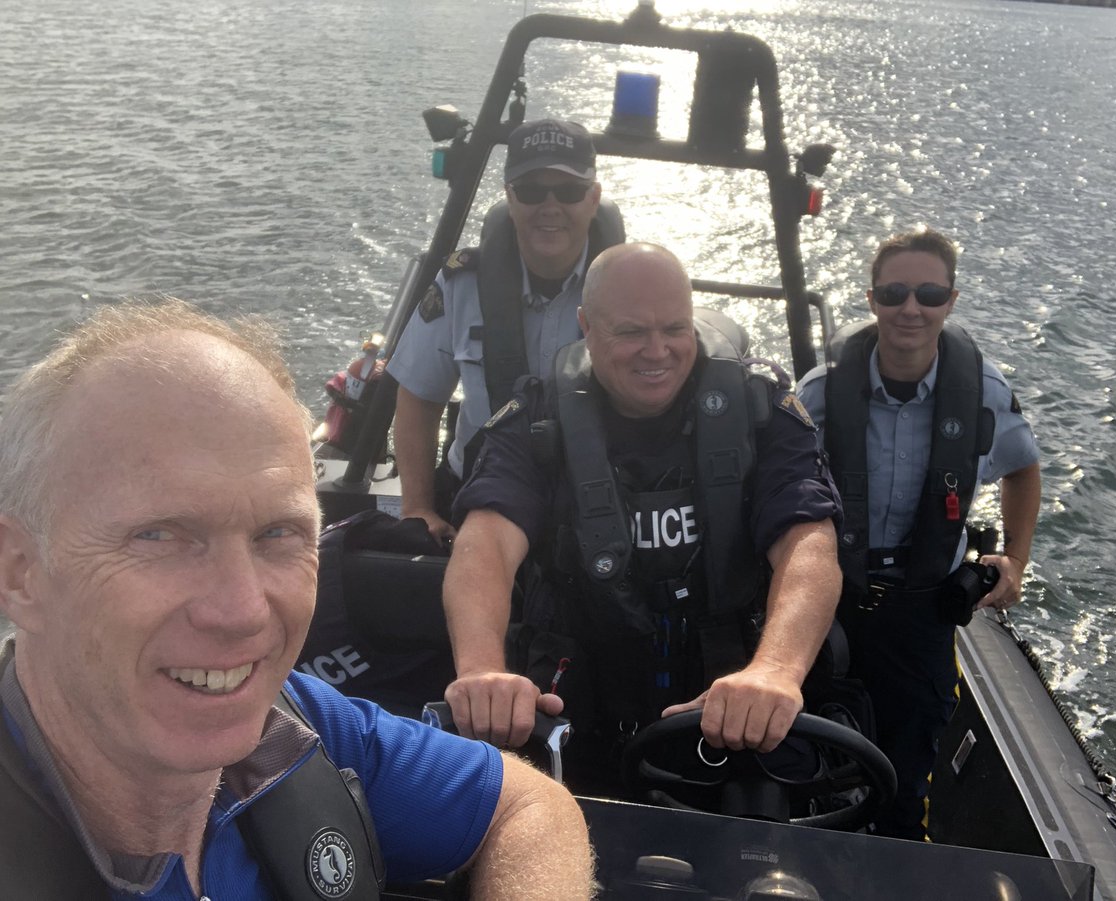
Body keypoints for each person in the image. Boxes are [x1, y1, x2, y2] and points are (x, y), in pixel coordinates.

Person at [0, 299, 595, 899]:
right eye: (159, 536)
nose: (243, 611)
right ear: (19, 572)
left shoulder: (296, 729)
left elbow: (527, 807)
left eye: (277, 534)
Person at [441, 243, 843, 797]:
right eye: (630, 332)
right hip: (577, 709)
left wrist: (776, 670)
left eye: (674, 327)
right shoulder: (536, 420)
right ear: (586, 326)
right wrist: (483, 668)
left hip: (736, 707)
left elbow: (809, 544)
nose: (657, 351)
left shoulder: (759, 411)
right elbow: (484, 542)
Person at [796, 228, 1042, 841]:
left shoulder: (983, 396)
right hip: (832, 599)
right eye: (895, 292)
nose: (912, 308)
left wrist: (1015, 557)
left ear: (951, 300)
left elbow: (1023, 466)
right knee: (808, 745)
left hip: (923, 607)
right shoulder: (820, 395)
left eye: (929, 293)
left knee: (908, 774)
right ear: (873, 298)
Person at [387, 117, 618, 545]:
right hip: (476, 497)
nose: (550, 207)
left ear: (593, 198)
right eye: (531, 191)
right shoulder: (460, 285)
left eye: (568, 191)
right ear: (510, 198)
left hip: (595, 501)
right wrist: (418, 508)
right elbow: (419, 396)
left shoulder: (633, 287)